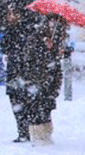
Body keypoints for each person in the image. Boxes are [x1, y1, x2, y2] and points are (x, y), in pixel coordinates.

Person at [18, 13, 68, 144]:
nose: (53, 26)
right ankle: (37, 137)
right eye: (51, 23)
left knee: (47, 108)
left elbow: (55, 63)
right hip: (36, 80)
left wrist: (57, 52)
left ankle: (46, 135)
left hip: (51, 80)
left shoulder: (57, 40)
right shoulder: (35, 38)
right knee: (36, 108)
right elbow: (28, 60)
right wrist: (44, 49)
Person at [0, 3, 43, 142]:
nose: (11, 16)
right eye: (9, 14)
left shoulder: (28, 29)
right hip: (13, 71)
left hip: (27, 71)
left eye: (14, 13)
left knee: (28, 102)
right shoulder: (9, 30)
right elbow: (4, 47)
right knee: (15, 101)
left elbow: (32, 48)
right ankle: (22, 132)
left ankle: (30, 131)